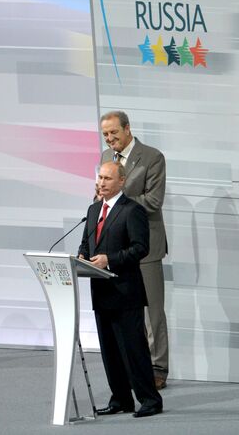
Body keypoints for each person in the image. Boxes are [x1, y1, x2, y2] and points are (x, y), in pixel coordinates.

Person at [78, 162, 162, 418]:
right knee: (110, 352)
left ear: (121, 181)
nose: (101, 183)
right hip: (101, 292)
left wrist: (109, 259)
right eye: (99, 177)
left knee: (133, 350)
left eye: (107, 178)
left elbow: (140, 248)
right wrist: (82, 257)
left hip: (126, 293)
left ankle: (150, 400)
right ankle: (121, 399)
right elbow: (86, 243)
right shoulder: (93, 210)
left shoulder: (131, 210)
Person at [98, 111, 169, 389]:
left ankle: (158, 368)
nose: (110, 139)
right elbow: (102, 198)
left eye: (114, 133)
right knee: (127, 313)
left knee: (153, 314)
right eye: (105, 134)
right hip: (116, 251)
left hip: (147, 247)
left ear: (127, 129)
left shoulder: (152, 157)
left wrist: (119, 199)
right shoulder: (106, 157)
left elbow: (153, 201)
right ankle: (133, 368)